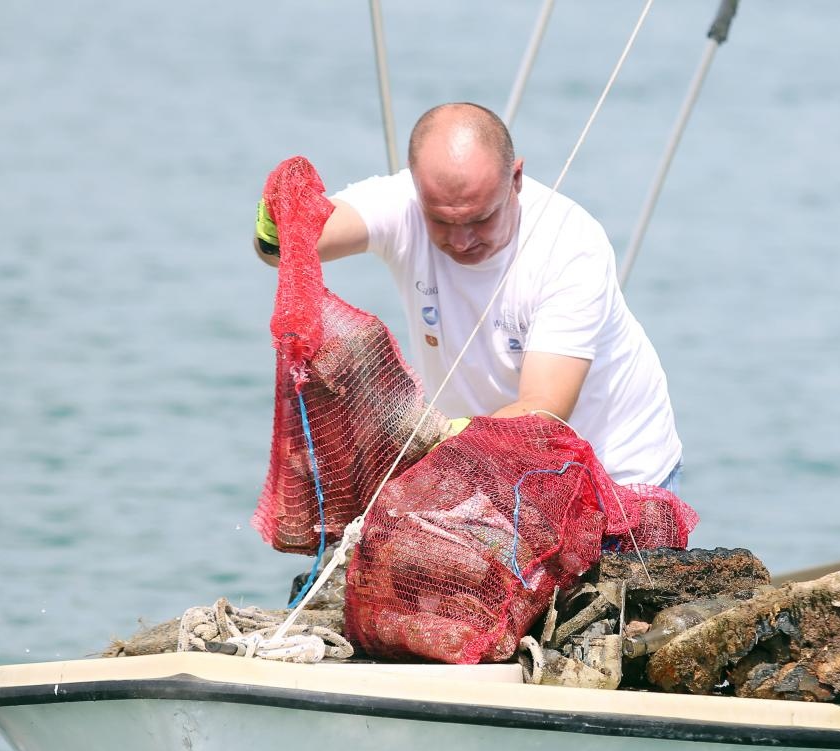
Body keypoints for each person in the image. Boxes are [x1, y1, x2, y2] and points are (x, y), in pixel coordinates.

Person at [255, 101, 684, 492]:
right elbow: (285, 249)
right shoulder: (403, 203)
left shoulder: (572, 246)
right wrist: (279, 227)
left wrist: (440, 440)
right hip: (484, 468)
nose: (460, 241)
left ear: (515, 180)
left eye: (480, 219)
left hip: (620, 475)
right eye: (441, 220)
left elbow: (545, 413)